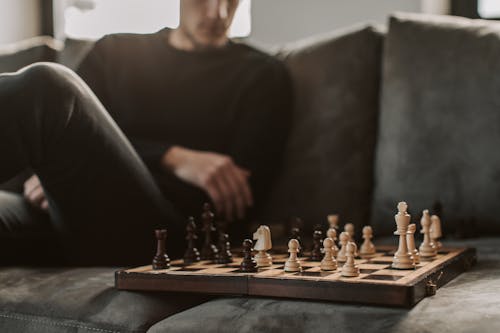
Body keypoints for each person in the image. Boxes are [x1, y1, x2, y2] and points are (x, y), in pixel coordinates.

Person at [0, 0, 292, 265]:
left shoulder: (262, 75)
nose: (217, 12)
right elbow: (64, 134)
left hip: (156, 230)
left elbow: (239, 194)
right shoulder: (114, 51)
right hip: (51, 209)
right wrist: (175, 158)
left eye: (230, 0)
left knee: (48, 87)